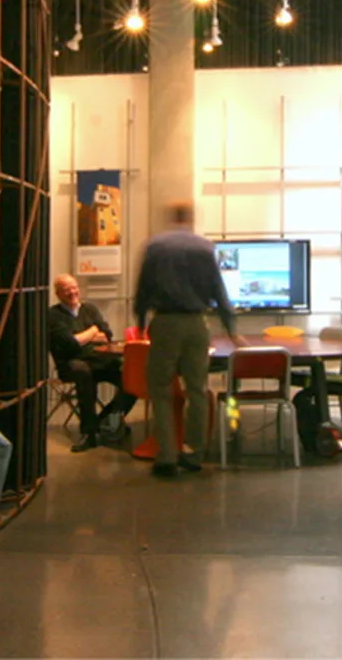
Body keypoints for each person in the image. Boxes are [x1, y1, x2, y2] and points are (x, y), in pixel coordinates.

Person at [134, 201, 239, 478]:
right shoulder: (204, 248)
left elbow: (143, 288)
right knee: (197, 389)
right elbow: (219, 290)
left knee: (160, 389)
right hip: (196, 323)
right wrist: (230, 328)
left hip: (166, 322)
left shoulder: (155, 247)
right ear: (191, 219)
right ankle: (193, 452)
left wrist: (141, 323)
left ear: (171, 217)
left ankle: (167, 455)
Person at [48, 274, 136, 452]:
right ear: (58, 293)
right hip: (71, 363)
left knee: (132, 379)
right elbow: (70, 344)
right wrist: (94, 331)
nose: (72, 292)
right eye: (66, 289)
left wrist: (84, 337)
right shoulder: (53, 315)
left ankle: (105, 421)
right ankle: (88, 433)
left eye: (74, 287)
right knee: (84, 374)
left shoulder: (89, 308)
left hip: (98, 360)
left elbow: (108, 334)